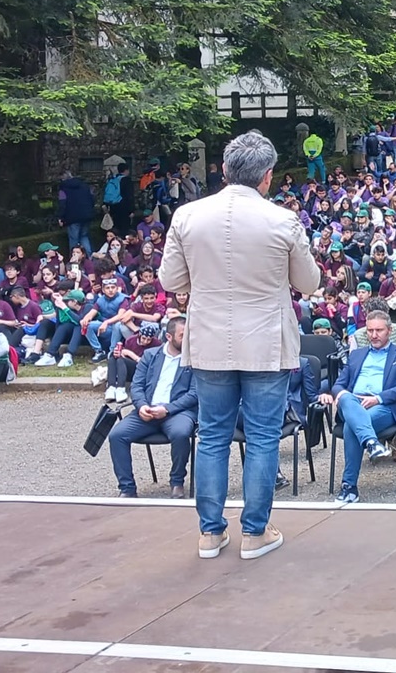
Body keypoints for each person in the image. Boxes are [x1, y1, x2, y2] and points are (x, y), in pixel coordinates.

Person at [159, 131, 322, 561]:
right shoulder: (283, 220)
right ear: (268, 177)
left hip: (210, 336)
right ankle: (255, 531)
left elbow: (170, 282)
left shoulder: (188, 215)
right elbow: (309, 283)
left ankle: (210, 534)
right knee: (264, 437)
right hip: (265, 339)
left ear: (225, 171)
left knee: (211, 434)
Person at [320, 311, 396, 503]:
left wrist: (378, 398)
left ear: (389, 331)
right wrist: (341, 394)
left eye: (379, 330)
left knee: (351, 426)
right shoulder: (356, 355)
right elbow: (339, 384)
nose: (374, 335)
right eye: (370, 330)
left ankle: (349, 486)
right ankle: (372, 443)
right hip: (354, 402)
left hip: (384, 406)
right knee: (346, 397)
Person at [106, 317, 197, 499]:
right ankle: (127, 488)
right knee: (117, 435)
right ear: (169, 337)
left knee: (180, 433)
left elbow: (195, 393)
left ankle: (177, 482)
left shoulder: (193, 359)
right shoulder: (150, 355)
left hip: (177, 412)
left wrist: (168, 409)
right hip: (147, 411)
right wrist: (141, 406)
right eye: (182, 335)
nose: (187, 339)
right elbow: (136, 386)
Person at [58, 171, 96, 254]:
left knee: (73, 239)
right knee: (84, 237)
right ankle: (89, 257)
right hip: (86, 215)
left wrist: (61, 217)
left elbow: (62, 204)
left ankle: (74, 260)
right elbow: (92, 199)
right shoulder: (85, 186)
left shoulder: (63, 189)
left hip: (72, 217)